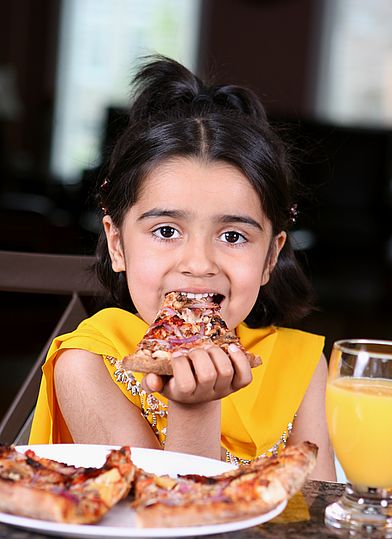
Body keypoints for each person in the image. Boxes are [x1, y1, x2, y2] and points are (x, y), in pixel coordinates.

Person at [30, 56, 336, 481]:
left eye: (232, 236)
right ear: (117, 244)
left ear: (270, 258)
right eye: (167, 230)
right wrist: (195, 410)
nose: (198, 264)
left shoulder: (300, 364)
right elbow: (162, 526)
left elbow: (316, 522)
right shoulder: (87, 364)